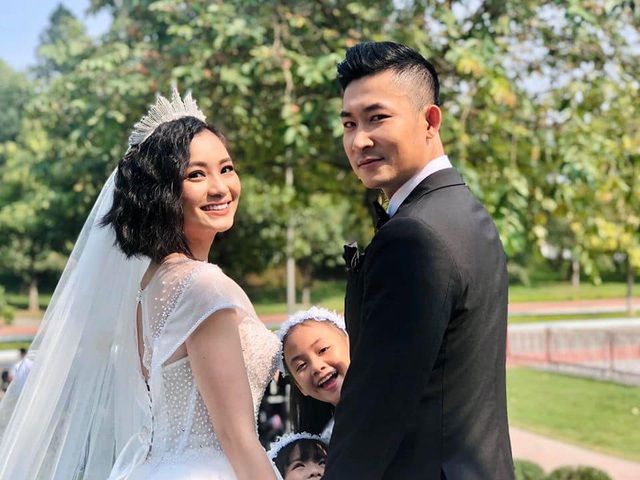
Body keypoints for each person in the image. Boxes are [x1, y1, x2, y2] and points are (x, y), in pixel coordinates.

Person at [0, 88, 281, 480]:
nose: (220, 187)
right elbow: (236, 438)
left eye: (226, 168)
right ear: (162, 193)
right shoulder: (203, 286)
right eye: (195, 174)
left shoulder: (149, 286)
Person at [323, 41, 514, 479]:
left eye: (377, 118)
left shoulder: (413, 237)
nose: (359, 140)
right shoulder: (466, 211)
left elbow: (374, 410)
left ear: (430, 120)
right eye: (349, 123)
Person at [277, 307, 349, 440]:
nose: (316, 367)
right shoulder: (325, 442)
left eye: (323, 350)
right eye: (301, 365)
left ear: (350, 343)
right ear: (300, 387)